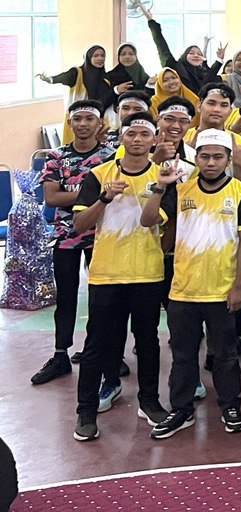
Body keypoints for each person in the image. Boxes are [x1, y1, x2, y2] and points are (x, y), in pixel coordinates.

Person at [141, 130, 241, 438]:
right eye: (204, 156)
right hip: (183, 290)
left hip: (221, 289)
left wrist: (238, 286)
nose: (210, 163)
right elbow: (147, 220)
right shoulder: (181, 191)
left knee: (225, 354)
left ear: (227, 159)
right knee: (182, 354)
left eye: (218, 156)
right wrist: (159, 187)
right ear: (197, 159)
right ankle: (181, 410)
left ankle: (230, 405)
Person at [69, 114, 165, 442]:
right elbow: (80, 225)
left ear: (154, 140)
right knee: (97, 344)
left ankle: (149, 402)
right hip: (106, 274)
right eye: (131, 133)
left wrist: (160, 190)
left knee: (148, 340)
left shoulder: (162, 177)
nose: (137, 139)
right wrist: (104, 198)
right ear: (120, 138)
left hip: (146, 273)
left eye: (144, 134)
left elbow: (151, 221)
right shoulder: (98, 175)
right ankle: (85, 410)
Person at [31, 100, 116, 386]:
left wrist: (77, 194)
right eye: (76, 119)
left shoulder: (111, 156)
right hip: (65, 237)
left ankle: (104, 354)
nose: (82, 124)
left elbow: (117, 193)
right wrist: (93, 193)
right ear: (69, 123)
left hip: (101, 235)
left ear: (99, 124)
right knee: (66, 298)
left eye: (88, 119)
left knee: (103, 300)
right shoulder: (56, 156)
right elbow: (51, 198)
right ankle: (60, 355)